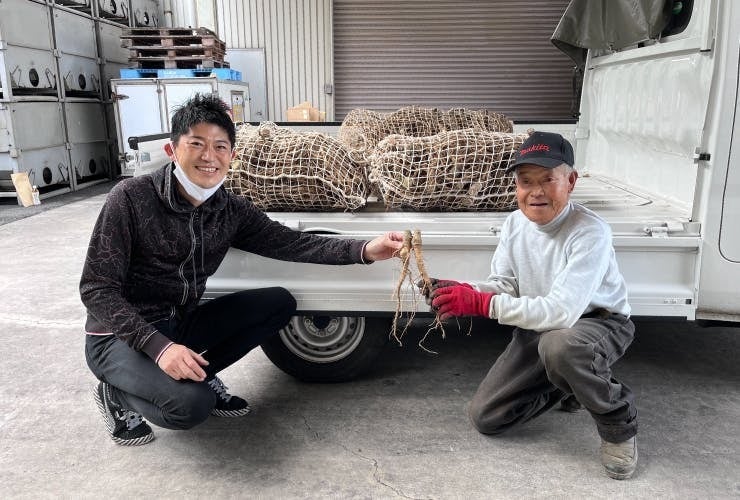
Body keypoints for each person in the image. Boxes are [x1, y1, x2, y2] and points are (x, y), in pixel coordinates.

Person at [80, 93, 404, 446]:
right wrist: (160, 348)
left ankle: (198, 374)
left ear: (232, 156)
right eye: (196, 144)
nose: (209, 156)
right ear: (172, 150)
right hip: (117, 337)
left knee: (278, 304)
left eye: (220, 146)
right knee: (190, 405)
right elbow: (96, 288)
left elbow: (291, 243)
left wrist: (365, 249)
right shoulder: (131, 197)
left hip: (178, 324)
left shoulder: (229, 209)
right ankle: (117, 393)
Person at [424, 131, 638, 480]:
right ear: (516, 186)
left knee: (561, 346)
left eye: (547, 180)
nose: (535, 191)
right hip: (541, 324)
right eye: (526, 181)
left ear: (570, 182)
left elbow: (562, 313)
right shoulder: (514, 223)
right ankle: (570, 384)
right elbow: (505, 285)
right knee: (488, 417)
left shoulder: (590, 232)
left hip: (597, 323)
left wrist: (481, 304)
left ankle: (618, 424)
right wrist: (466, 290)